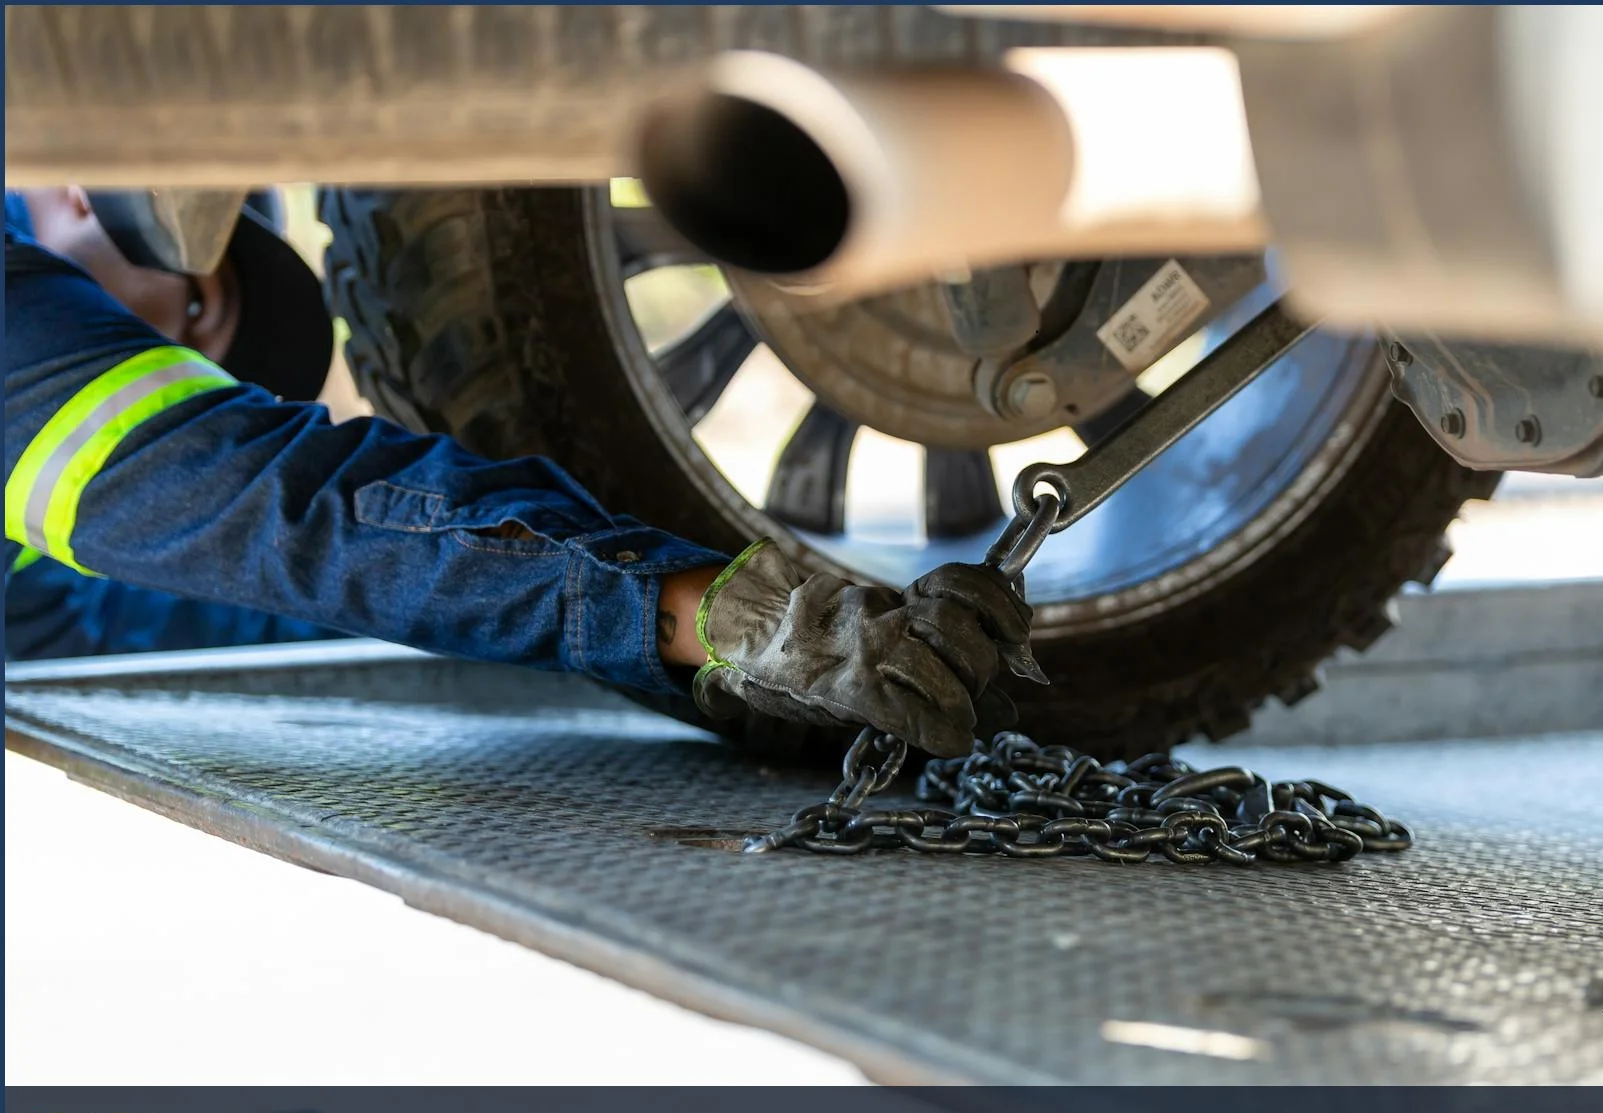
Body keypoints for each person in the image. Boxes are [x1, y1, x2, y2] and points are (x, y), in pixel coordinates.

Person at [4, 187, 1034, 756]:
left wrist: (679, 661)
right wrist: (701, 618)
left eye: (198, 313)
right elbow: (289, 510)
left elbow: (297, 579)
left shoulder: (43, 581)